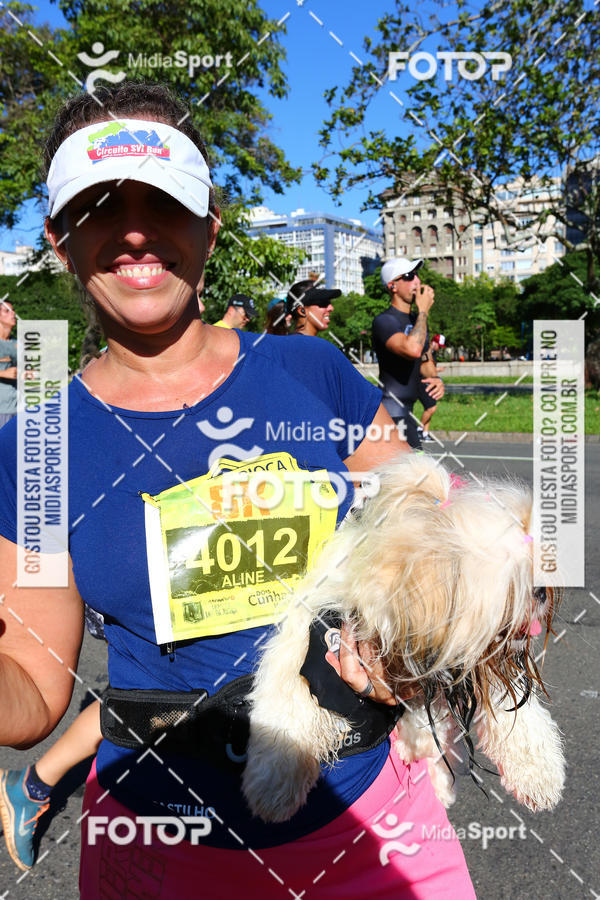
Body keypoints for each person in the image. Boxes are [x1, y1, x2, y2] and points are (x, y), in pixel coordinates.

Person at [0, 83, 475, 898]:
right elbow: (33, 693)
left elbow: (436, 536)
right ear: (60, 241)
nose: (137, 232)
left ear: (209, 230)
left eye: (165, 204)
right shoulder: (40, 445)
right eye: (101, 207)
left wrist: (423, 626)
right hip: (158, 846)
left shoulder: (309, 371)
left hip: (374, 826)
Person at [372, 258, 444, 450]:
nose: (417, 281)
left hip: (407, 413)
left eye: (417, 276)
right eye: (409, 276)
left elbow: (424, 359)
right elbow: (412, 349)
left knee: (416, 475)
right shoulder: (384, 321)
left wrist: (435, 379)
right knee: (409, 476)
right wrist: (423, 312)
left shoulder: (417, 319)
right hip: (389, 414)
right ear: (392, 286)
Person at [417, 333, 446, 443]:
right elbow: (422, 367)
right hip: (421, 382)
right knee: (431, 408)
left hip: (428, 382)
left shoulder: (432, 353)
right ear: (433, 342)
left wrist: (437, 370)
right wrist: (436, 373)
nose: (439, 348)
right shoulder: (426, 352)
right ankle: (419, 430)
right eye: (439, 345)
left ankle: (425, 433)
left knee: (429, 408)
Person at [0, 300, 18, 427]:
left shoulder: (17, 344)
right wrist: (3, 373)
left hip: (17, 407)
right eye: (7, 311)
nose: (13, 314)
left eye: (13, 310)